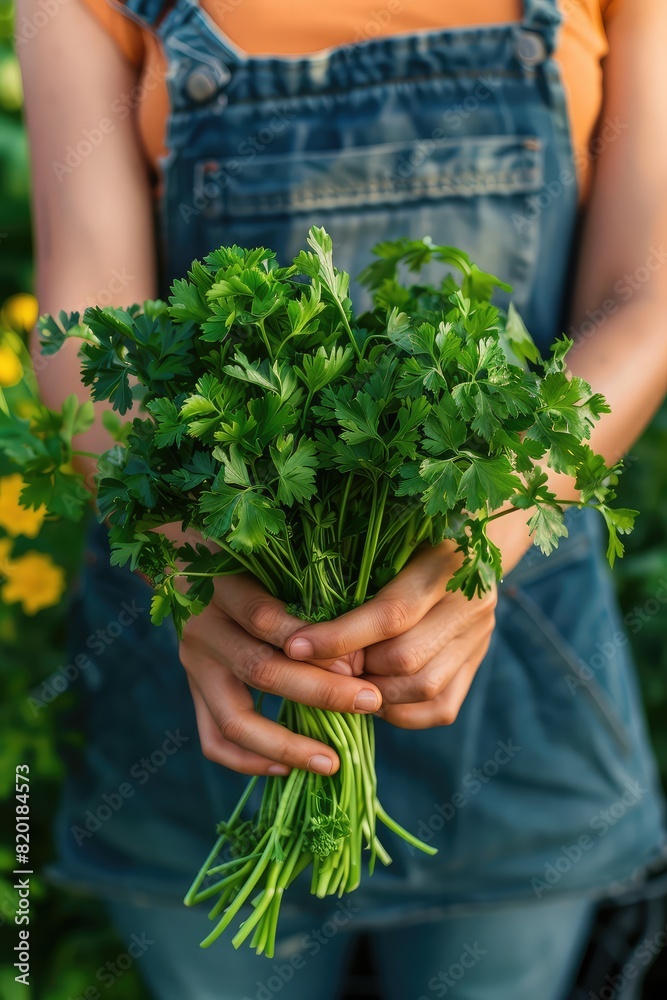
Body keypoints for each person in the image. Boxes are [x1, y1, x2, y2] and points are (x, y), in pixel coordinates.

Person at [17, 0, 667, 997]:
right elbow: (84, 315)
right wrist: (193, 560)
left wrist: (483, 532)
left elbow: (648, 292)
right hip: (202, 673)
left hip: (518, 663)